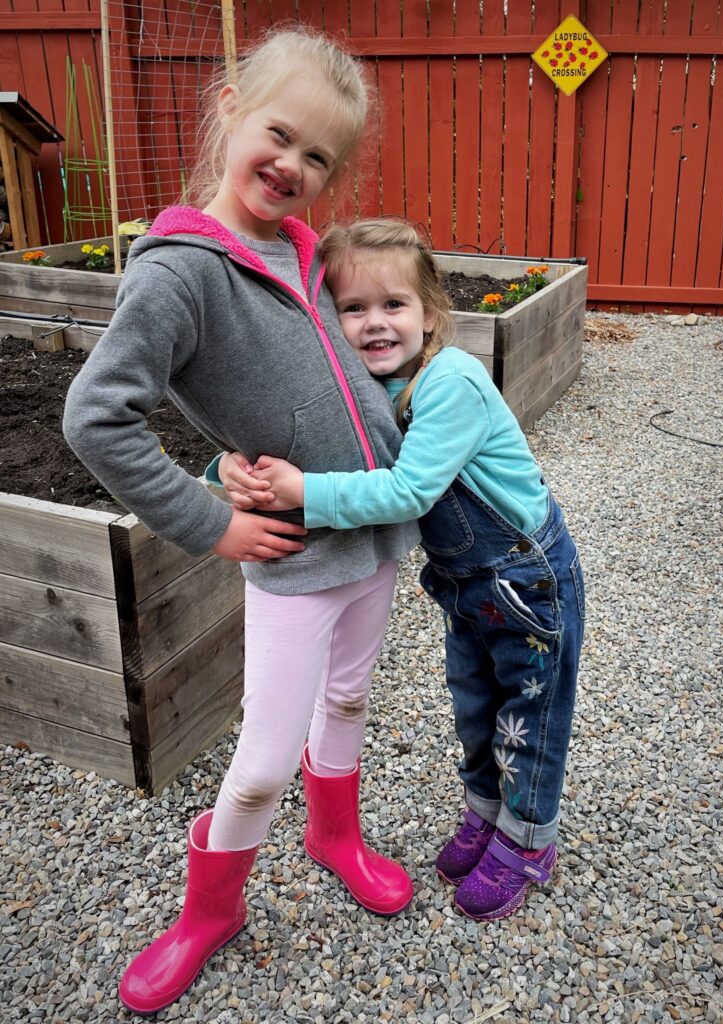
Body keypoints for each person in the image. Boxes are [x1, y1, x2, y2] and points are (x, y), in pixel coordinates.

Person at [62, 33, 420, 1016]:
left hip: (371, 543)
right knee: (262, 761)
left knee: (346, 703)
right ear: (227, 107)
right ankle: (208, 911)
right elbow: (96, 417)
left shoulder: (300, 249)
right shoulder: (181, 271)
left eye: (319, 159)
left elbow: (337, 378)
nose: (293, 167)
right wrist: (211, 518)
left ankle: (334, 836)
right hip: (296, 562)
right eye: (279, 133)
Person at [216, 218, 585, 923]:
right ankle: (487, 814)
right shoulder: (369, 385)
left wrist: (303, 494)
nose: (375, 323)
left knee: (529, 714)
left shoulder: (452, 383)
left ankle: (531, 838)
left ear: (431, 313)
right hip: (467, 588)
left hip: (527, 579)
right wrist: (231, 467)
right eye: (353, 309)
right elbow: (316, 441)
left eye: (394, 305)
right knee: (478, 711)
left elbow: (406, 492)